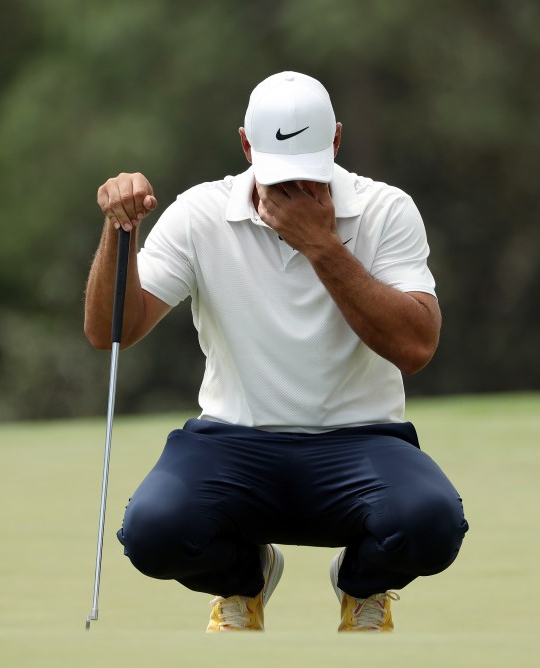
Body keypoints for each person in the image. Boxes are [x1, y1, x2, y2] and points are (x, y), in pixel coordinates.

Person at [84, 71, 468, 633]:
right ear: (246, 147)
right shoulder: (201, 213)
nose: (296, 191)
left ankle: (360, 584)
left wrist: (321, 245)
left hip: (361, 443)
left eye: (309, 175)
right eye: (280, 174)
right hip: (233, 443)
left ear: (336, 142)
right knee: (153, 531)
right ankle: (247, 578)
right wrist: (120, 233)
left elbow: (416, 346)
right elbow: (110, 331)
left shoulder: (388, 210)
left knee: (431, 524)